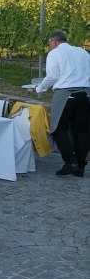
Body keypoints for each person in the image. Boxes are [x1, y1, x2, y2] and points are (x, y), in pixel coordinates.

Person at [35, 30, 90, 177]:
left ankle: (70, 161)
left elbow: (52, 76)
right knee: (81, 131)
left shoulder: (55, 53)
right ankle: (80, 165)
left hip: (66, 93)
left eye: (49, 44)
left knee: (58, 128)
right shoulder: (82, 52)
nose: (49, 47)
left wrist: (40, 88)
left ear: (55, 42)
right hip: (85, 94)